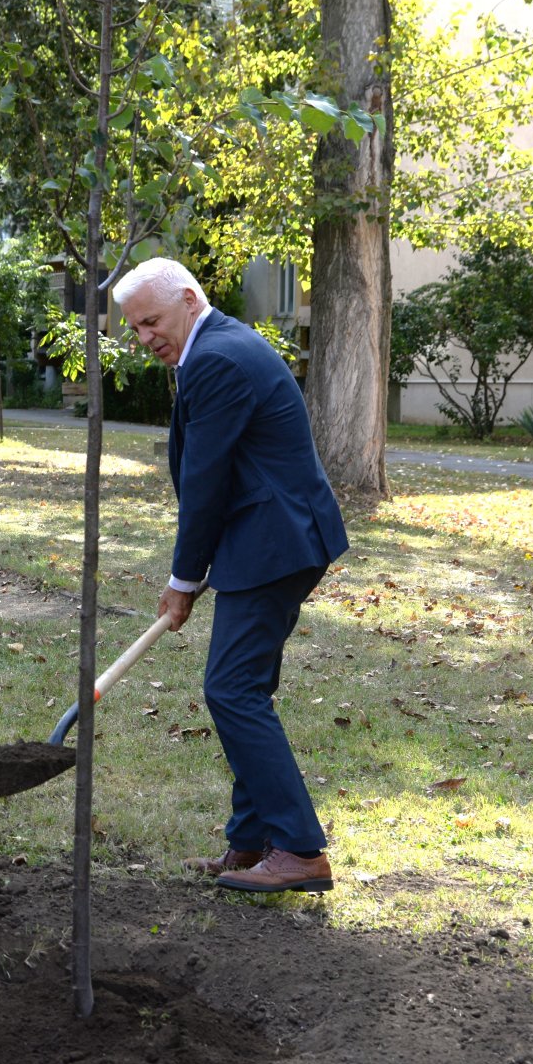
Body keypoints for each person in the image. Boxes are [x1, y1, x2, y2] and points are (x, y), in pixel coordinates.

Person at [113, 258, 349, 894]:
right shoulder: (216, 347)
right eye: (135, 328)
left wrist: (183, 580)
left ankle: (299, 849)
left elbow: (205, 482)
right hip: (271, 539)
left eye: (152, 321)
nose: (144, 337)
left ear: (189, 299)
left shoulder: (216, 359)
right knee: (243, 689)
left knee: (232, 691)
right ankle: (250, 840)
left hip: (275, 541)